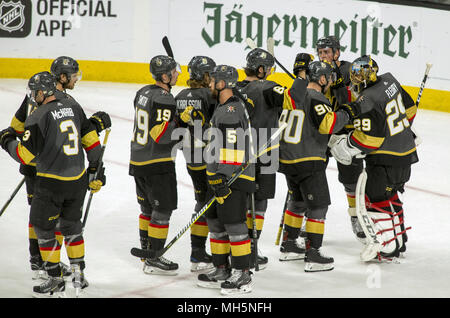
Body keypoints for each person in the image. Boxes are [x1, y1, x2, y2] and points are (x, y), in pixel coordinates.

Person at [0, 71, 106, 297]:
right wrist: (96, 168)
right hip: (77, 182)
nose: (32, 95)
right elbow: (91, 141)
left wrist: (6, 141)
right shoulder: (73, 106)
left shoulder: (38, 116)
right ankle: (79, 275)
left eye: (34, 92)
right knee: (72, 228)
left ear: (43, 92)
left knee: (44, 230)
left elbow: (25, 155)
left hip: (50, 183)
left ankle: (54, 279)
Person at [329, 55, 417, 259]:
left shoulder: (367, 99)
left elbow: (370, 140)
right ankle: (399, 241)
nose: (355, 82)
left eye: (358, 78)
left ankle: (387, 246)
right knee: (392, 196)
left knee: (375, 200)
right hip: (406, 156)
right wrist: (399, 132)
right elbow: (410, 110)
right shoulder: (390, 80)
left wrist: (346, 145)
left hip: (385, 160)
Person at [278, 60, 360, 272]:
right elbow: (327, 125)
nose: (331, 82)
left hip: (288, 159)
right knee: (318, 206)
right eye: (329, 78)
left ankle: (289, 245)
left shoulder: (295, 96)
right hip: (308, 159)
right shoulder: (316, 98)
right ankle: (313, 254)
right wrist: (347, 113)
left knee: (297, 201)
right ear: (322, 79)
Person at [197, 65, 255, 295]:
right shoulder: (223, 108)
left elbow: (233, 146)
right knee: (216, 223)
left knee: (234, 224)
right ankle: (221, 267)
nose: (210, 84)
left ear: (223, 84)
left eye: (213, 81)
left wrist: (223, 176)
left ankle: (242, 273)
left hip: (232, 178)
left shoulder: (230, 109)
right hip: (219, 177)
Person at [130, 55, 186, 275]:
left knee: (147, 208)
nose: (177, 73)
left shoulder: (142, 92)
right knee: (162, 210)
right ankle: (154, 257)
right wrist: (181, 121)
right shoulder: (165, 98)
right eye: (173, 71)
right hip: (157, 162)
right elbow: (161, 134)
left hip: (138, 159)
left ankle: (147, 251)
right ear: (165, 76)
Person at [316, 36, 366, 241]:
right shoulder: (316, 72)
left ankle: (356, 216)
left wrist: (336, 82)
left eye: (327, 52)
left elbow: (352, 96)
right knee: (312, 176)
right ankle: (309, 218)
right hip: (322, 131)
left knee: (351, 180)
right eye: (320, 53)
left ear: (337, 53)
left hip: (345, 131)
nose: (323, 56)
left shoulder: (348, 70)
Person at [235, 47, 280, 269]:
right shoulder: (268, 87)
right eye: (268, 69)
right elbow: (296, 99)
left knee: (241, 200)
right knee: (259, 201)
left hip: (239, 151)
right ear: (261, 70)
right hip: (265, 152)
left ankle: (240, 247)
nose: (270, 72)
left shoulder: (235, 88)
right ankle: (252, 247)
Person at [175, 55, 217, 272]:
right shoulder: (209, 95)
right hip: (208, 159)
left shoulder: (180, 95)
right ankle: (202, 252)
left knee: (202, 200)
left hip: (191, 158)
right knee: (211, 204)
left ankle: (198, 251)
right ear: (206, 75)